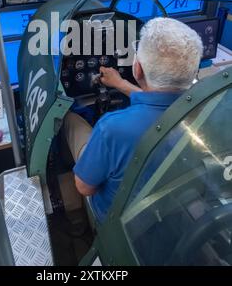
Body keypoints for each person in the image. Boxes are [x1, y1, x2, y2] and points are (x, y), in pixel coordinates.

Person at [63, 17, 203, 223]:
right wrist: (120, 84)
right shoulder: (210, 110)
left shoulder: (111, 128)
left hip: (119, 222)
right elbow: (162, 101)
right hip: (173, 210)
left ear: (136, 69)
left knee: (72, 121)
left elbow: (84, 188)